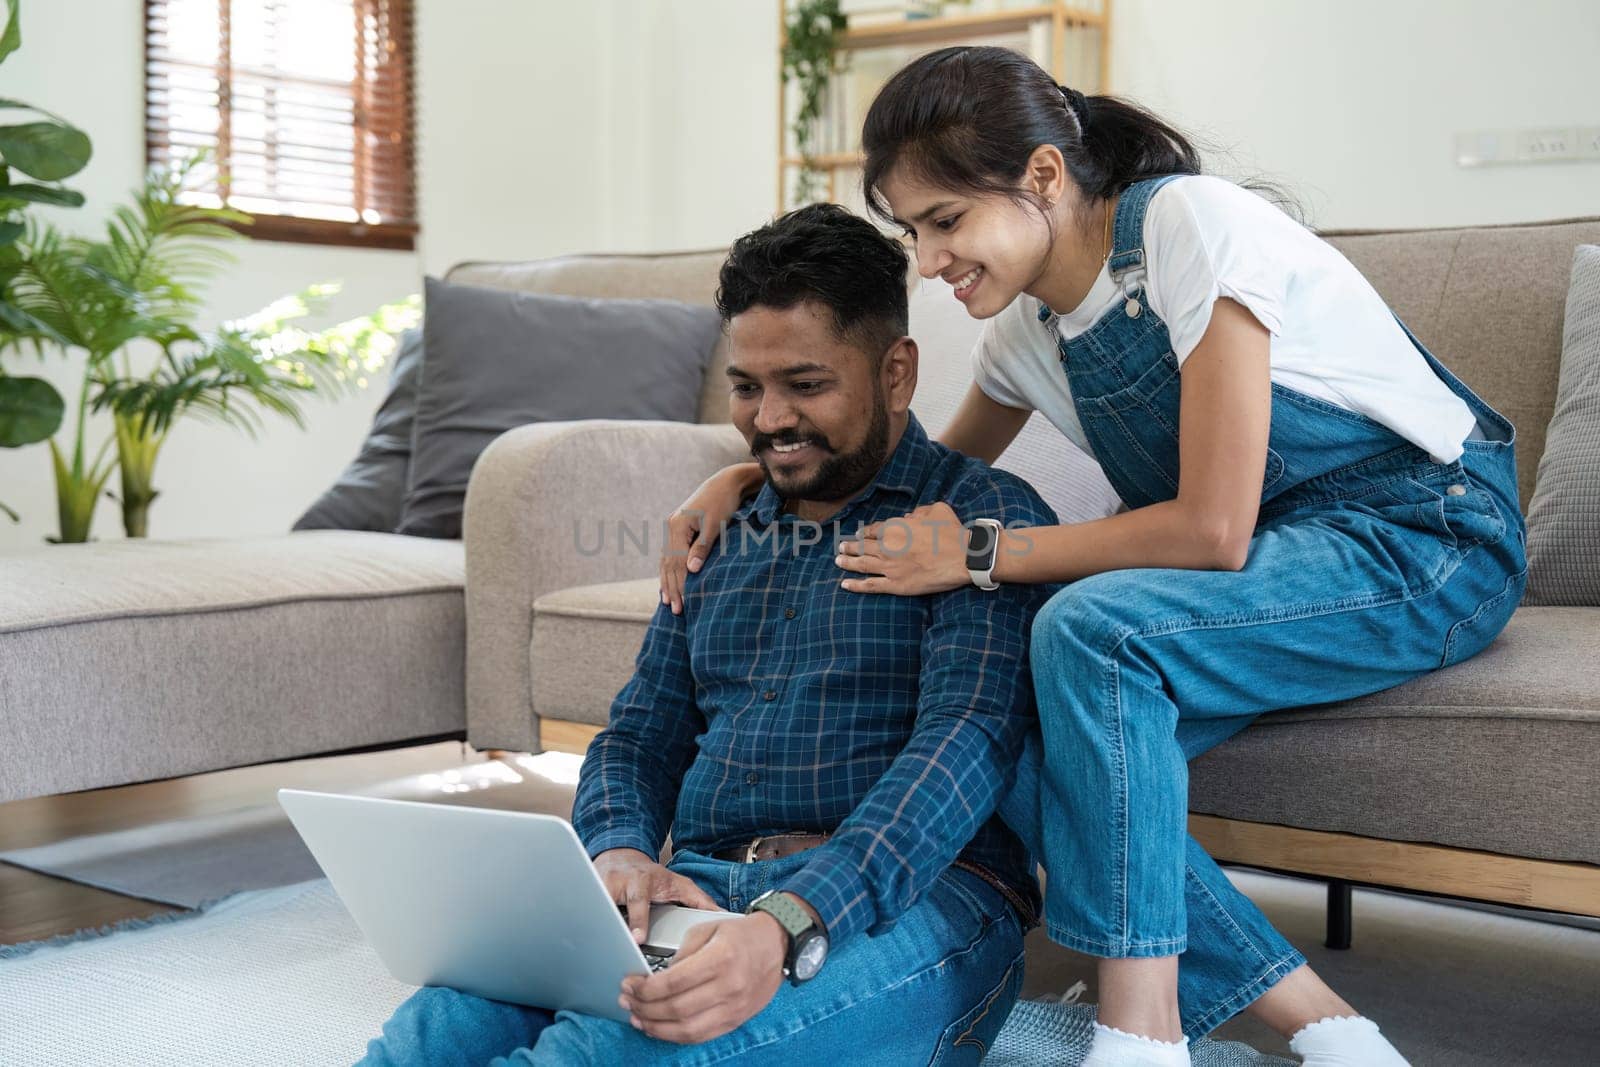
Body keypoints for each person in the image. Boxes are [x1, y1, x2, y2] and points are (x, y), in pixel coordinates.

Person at [659, 46, 1526, 1067]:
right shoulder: (1027, 338)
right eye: (912, 232)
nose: (928, 261)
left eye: (944, 222)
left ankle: (1140, 1033)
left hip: (1421, 535)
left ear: (1039, 176)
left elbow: (1211, 528)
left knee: (1086, 627)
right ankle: (1329, 1027)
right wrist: (748, 476)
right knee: (1011, 722)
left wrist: (981, 550)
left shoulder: (1186, 226)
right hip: (1272, 571)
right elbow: (908, 470)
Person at [359, 202, 1066, 1066]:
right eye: (746, 386)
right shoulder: (715, 531)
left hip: (916, 903)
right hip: (698, 882)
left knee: (607, 1054)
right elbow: (640, 731)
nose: (769, 420)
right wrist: (618, 853)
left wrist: (788, 921)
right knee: (432, 1031)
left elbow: (964, 748)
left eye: (806, 385)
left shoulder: (982, 522)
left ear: (896, 373)